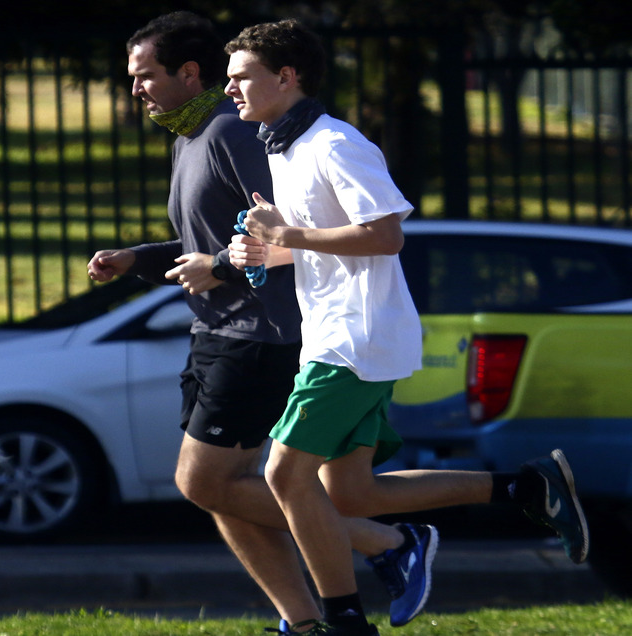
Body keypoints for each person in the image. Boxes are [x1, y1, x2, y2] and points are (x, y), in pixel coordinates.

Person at [223, 19, 590, 635]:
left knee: (283, 474)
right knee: (351, 496)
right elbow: (328, 239)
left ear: (285, 77)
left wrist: (290, 234)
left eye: (241, 77)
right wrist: (269, 251)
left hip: (354, 338)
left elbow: (386, 235)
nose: (230, 89)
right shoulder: (283, 146)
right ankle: (528, 489)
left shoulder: (335, 143)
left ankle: (342, 621)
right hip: (337, 333)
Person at [87, 12, 437, 634]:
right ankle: (306, 622)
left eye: (144, 75)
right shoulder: (193, 137)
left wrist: (221, 266)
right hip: (219, 333)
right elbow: (220, 237)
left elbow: (276, 233)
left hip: (262, 335)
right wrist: (136, 260)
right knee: (226, 488)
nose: (135, 88)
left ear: (185, 72)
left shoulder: (235, 134)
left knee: (210, 482)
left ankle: (383, 545)